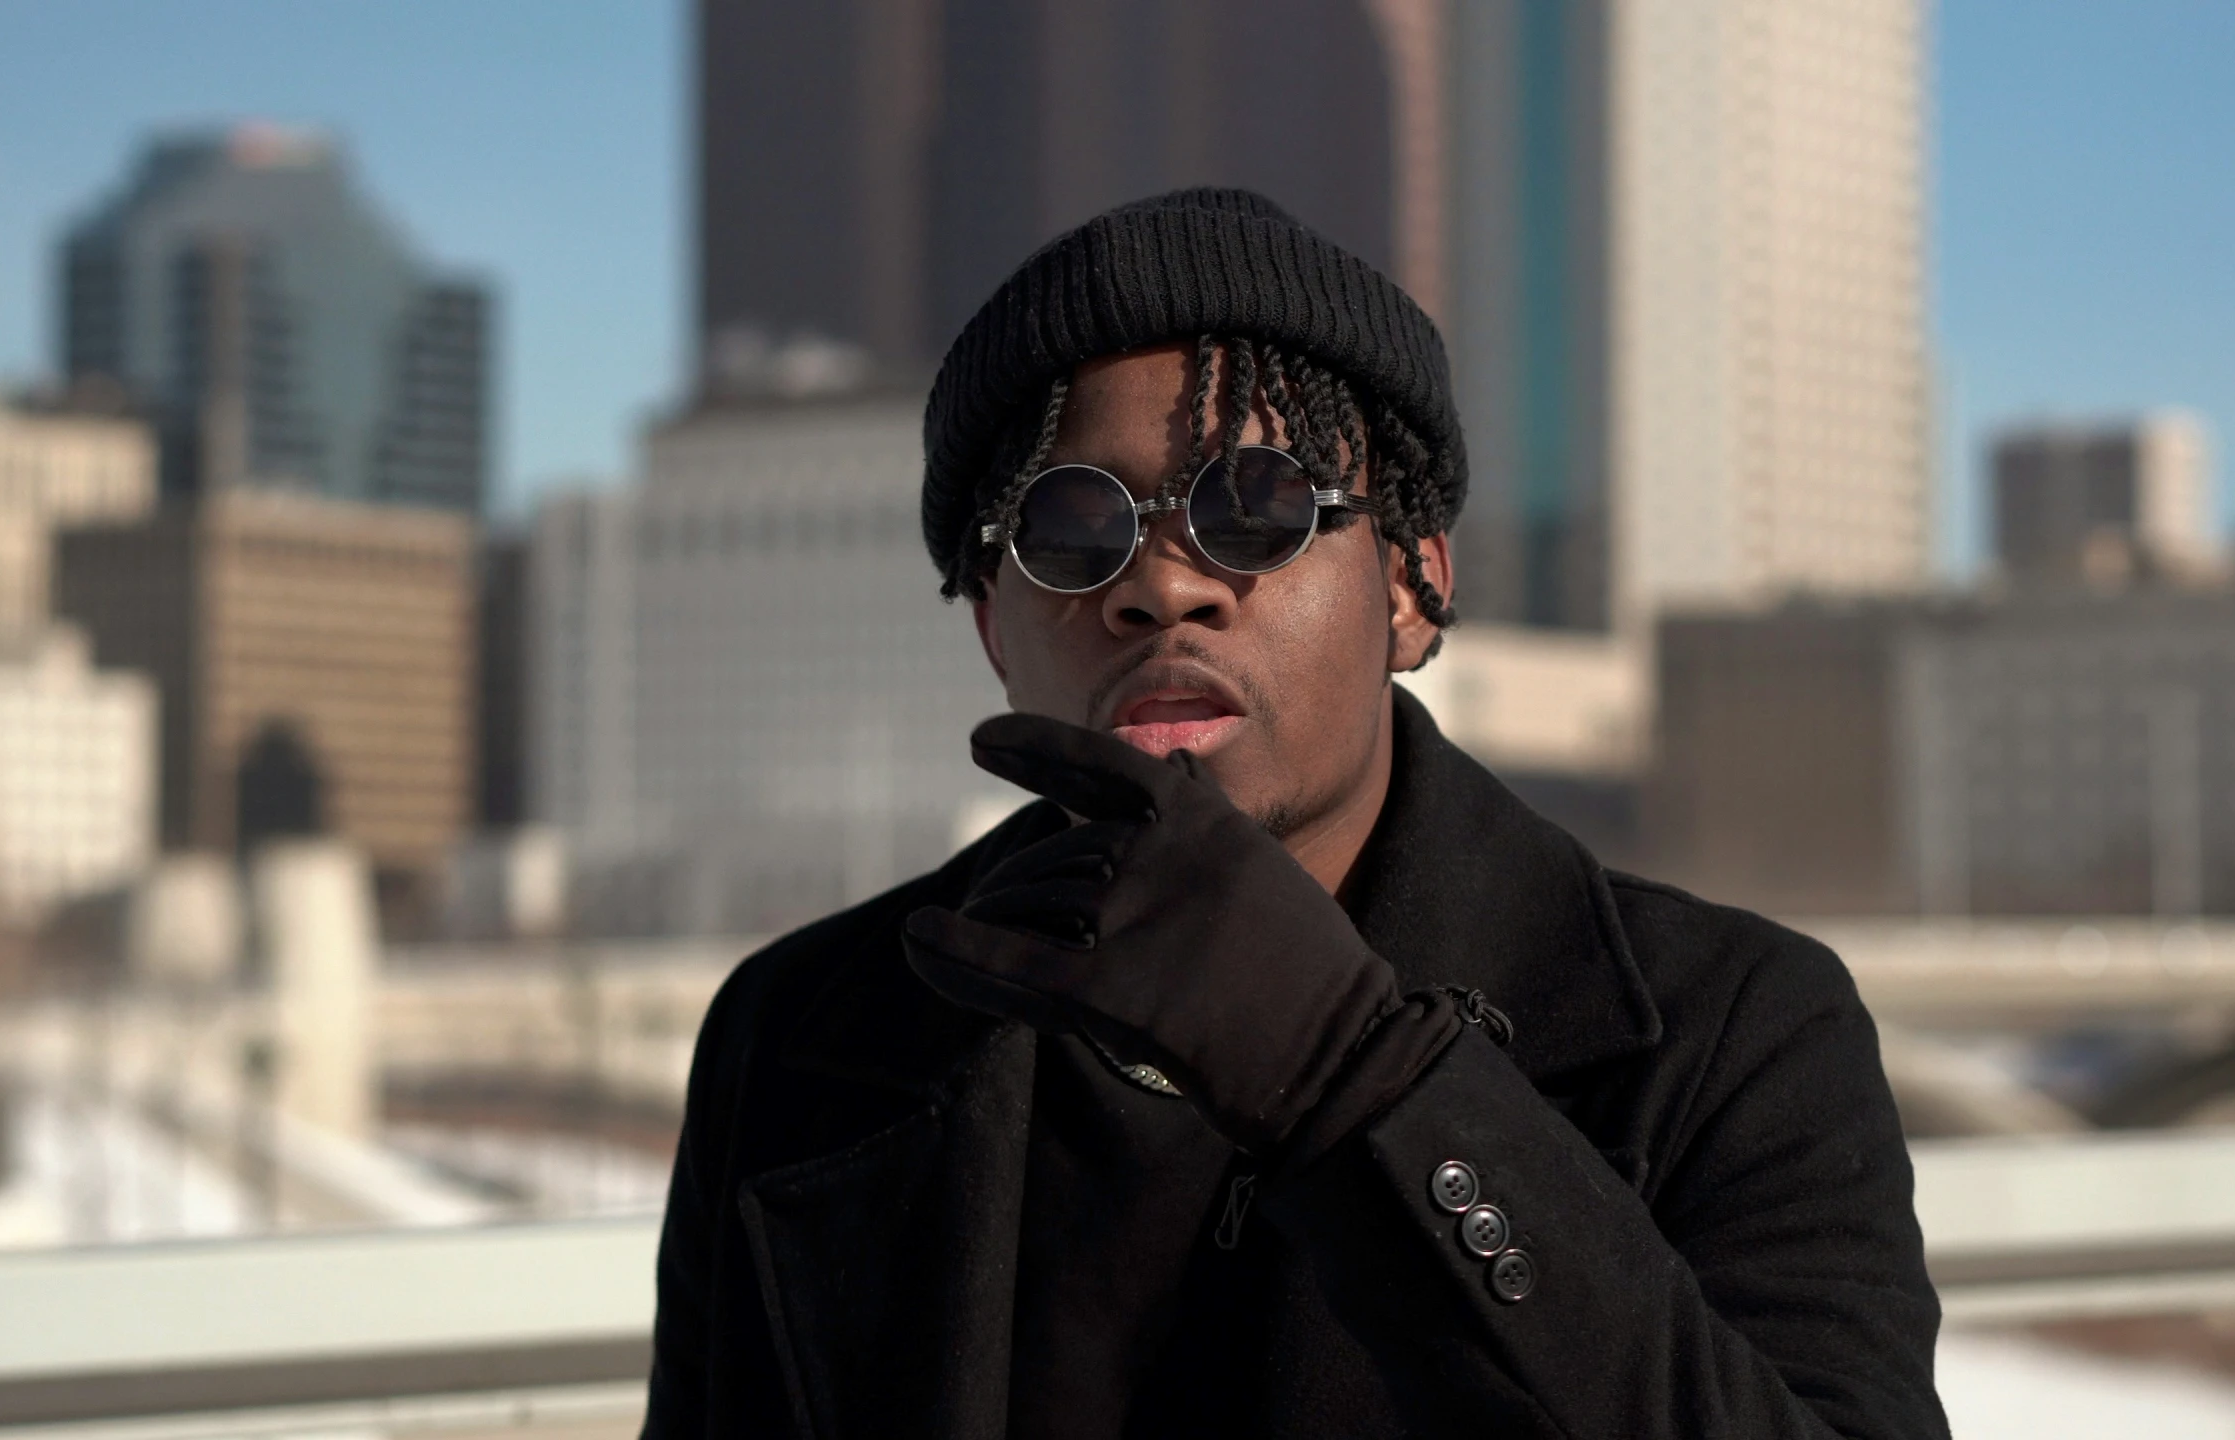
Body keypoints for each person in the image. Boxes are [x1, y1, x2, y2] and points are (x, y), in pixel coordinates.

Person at [642, 188, 1949, 1439]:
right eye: (1071, 527)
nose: (1160, 585)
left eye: (1254, 508)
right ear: (993, 625)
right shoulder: (798, 1032)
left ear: (1412, 588)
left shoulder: (1733, 1034)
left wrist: (1358, 1080)